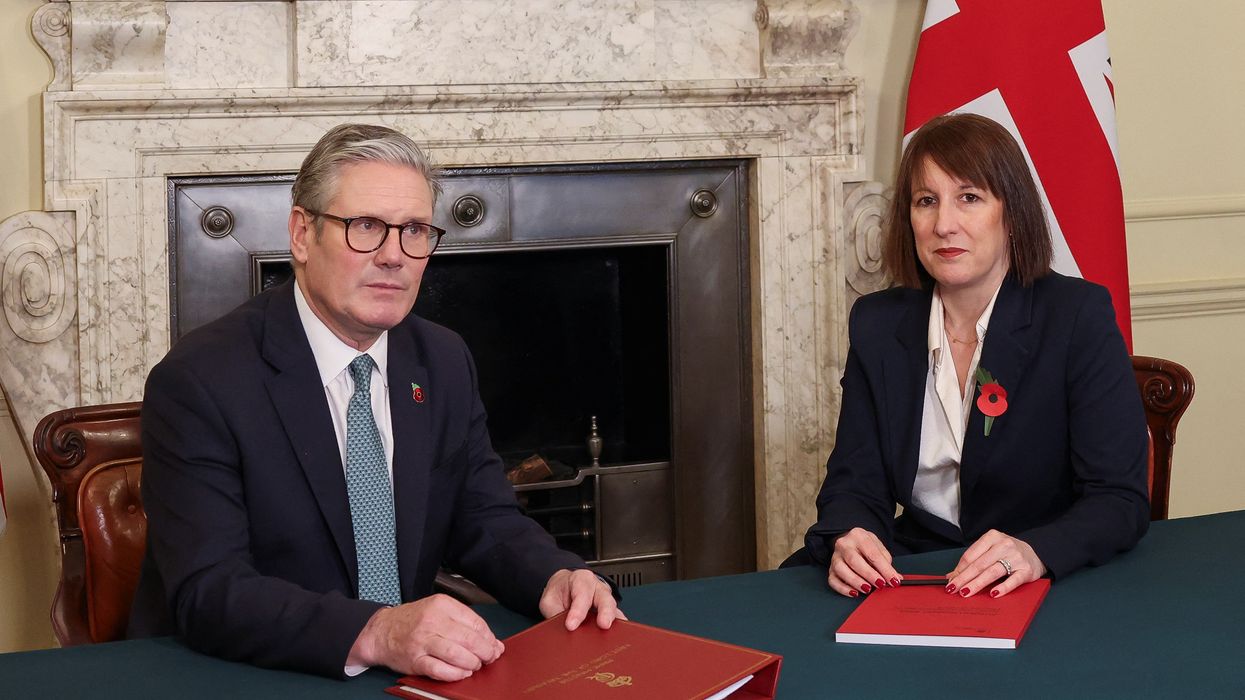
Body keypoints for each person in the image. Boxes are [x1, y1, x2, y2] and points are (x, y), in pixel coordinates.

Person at [129, 123, 621, 679]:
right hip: (249, 674)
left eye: (414, 230)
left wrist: (554, 577)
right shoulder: (201, 379)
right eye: (365, 226)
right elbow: (208, 590)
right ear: (300, 234)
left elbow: (482, 517)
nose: (394, 256)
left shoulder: (441, 359)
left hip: (407, 676)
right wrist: (377, 630)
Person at [796, 113, 1149, 600]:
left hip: (1040, 571)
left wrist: (1036, 552)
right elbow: (855, 479)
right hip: (915, 567)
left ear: (1012, 212)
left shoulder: (1075, 315)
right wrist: (850, 536)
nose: (944, 224)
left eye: (969, 198)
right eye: (926, 201)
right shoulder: (878, 323)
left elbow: (1119, 500)